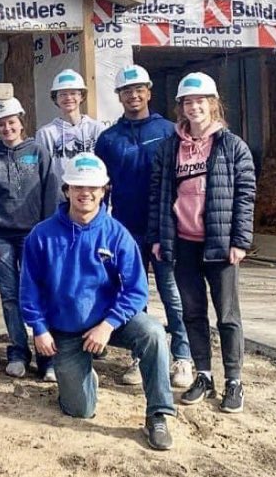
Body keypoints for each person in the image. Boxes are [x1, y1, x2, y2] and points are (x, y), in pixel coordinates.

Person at [20, 154, 176, 451]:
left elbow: (136, 290)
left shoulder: (116, 234)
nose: (85, 193)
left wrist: (108, 325)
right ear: (66, 190)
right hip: (65, 330)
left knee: (153, 333)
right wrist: (39, 329)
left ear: (104, 190)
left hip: (108, 322)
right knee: (80, 411)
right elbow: (29, 289)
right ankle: (81, 374)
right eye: (78, 186)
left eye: (93, 187)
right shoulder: (41, 236)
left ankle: (158, 413)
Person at [148, 72, 255, 414]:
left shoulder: (232, 146)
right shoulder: (169, 148)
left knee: (227, 316)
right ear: (180, 107)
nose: (194, 107)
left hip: (221, 245)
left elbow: (245, 195)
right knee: (192, 313)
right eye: (187, 102)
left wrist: (240, 240)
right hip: (184, 244)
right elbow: (159, 197)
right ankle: (204, 375)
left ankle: (234, 381)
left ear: (212, 103)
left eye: (200, 101)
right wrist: (159, 239)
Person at [95, 65, 193, 388]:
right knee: (133, 295)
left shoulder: (169, 131)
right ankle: (141, 356)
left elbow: (184, 181)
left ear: (149, 92)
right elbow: (101, 188)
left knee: (172, 294)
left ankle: (182, 357)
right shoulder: (108, 139)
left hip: (164, 228)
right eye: (126, 91)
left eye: (139, 89)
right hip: (126, 231)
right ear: (119, 97)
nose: (133, 95)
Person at [0, 97, 56, 381]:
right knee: (10, 296)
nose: (7, 128)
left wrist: (48, 232)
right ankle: (19, 351)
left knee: (39, 293)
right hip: (1, 237)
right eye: (0, 124)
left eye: (11, 122)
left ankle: (47, 356)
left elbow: (51, 193)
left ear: (21, 122)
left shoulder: (38, 151)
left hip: (35, 235)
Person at [35, 69, 104, 199]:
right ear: (55, 98)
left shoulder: (97, 129)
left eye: (73, 93)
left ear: (82, 96)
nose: (68, 98)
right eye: (62, 94)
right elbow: (41, 174)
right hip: (59, 202)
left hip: (91, 199)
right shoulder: (45, 134)